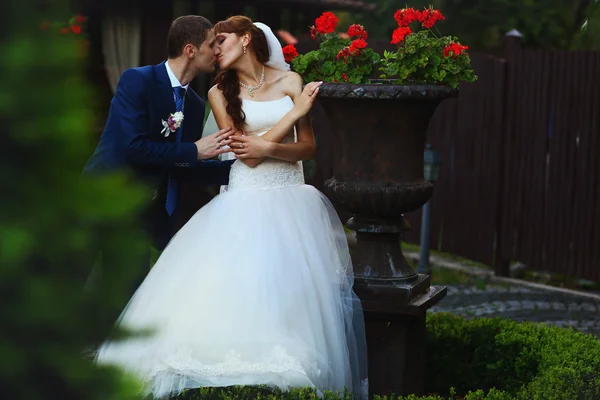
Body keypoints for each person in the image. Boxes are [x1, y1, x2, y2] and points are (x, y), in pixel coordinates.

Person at [95, 16, 368, 399]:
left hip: (291, 197)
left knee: (289, 290)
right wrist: (289, 118)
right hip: (216, 197)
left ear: (246, 40)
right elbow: (244, 156)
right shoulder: (216, 93)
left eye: (222, 40)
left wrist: (265, 149)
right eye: (212, 43)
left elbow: (304, 148)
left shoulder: (288, 83)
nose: (217, 48)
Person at [83, 16, 235, 297]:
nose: (218, 51)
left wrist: (239, 171)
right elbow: (133, 147)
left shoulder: (194, 104)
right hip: (103, 195)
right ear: (191, 50)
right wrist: (194, 150)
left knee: (128, 298)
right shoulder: (137, 80)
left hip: (141, 213)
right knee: (67, 282)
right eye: (212, 44)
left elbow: (182, 165)